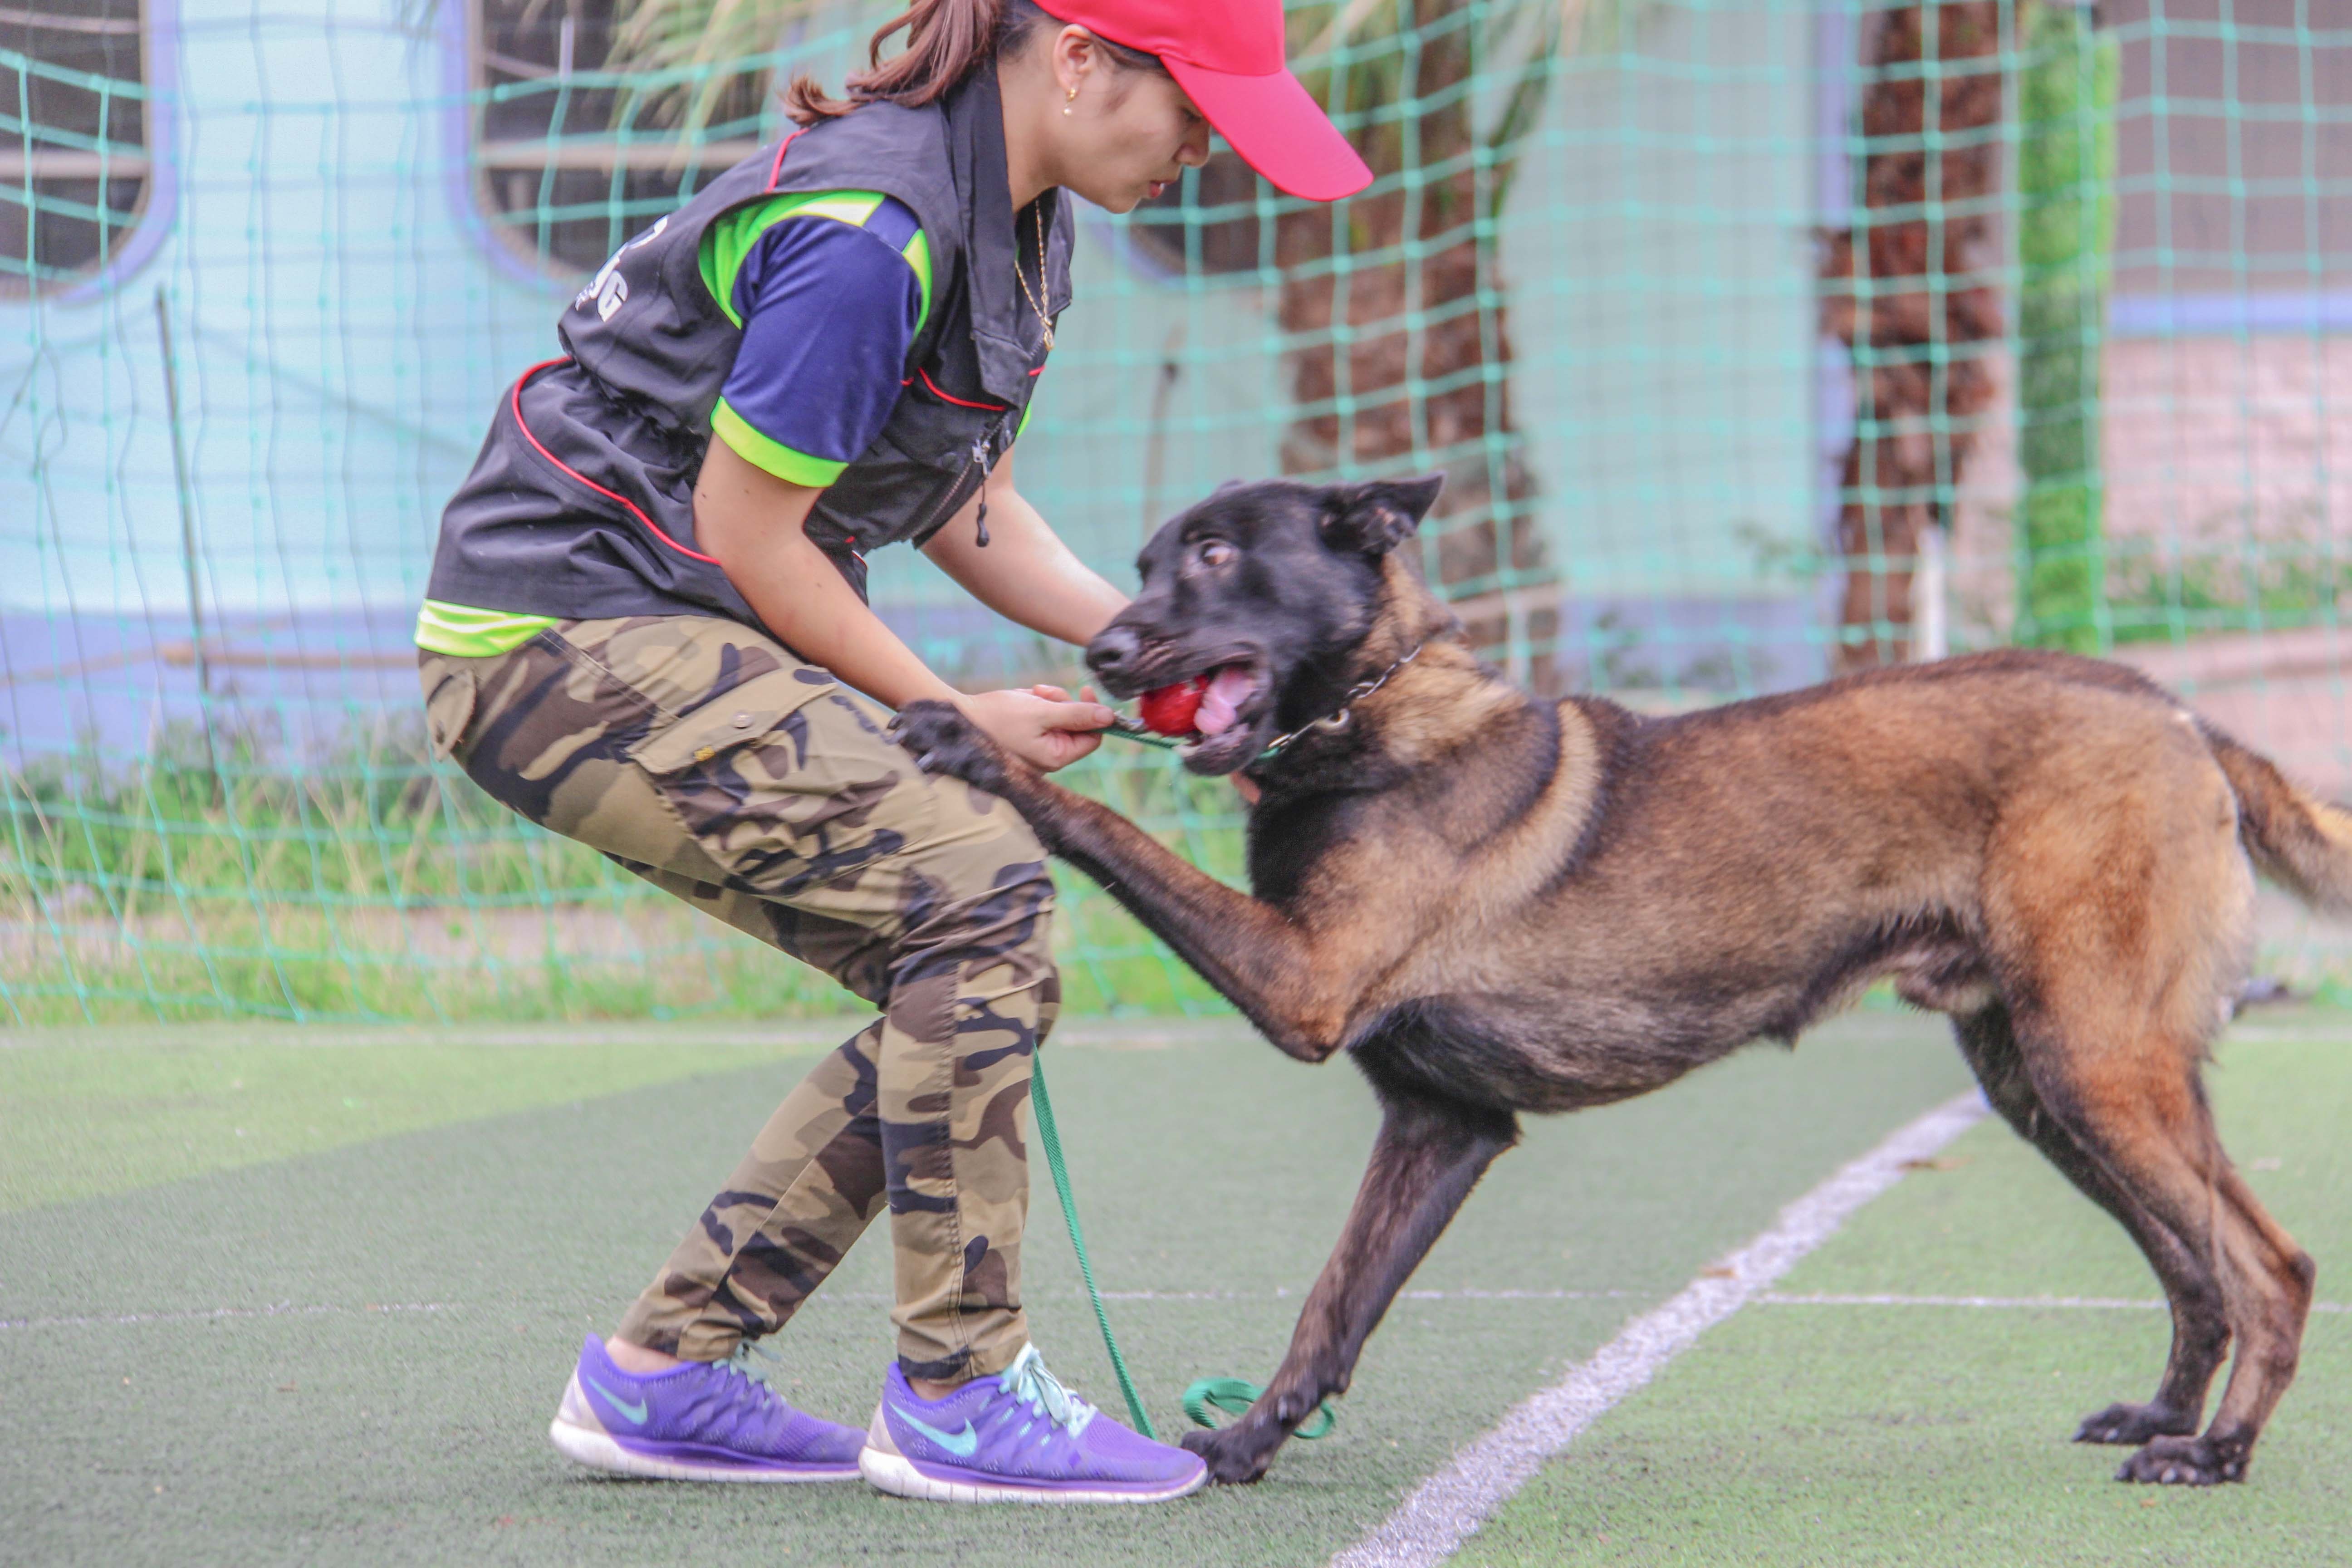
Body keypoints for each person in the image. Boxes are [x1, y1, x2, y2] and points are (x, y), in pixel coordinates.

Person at [414, 0, 1368, 1505]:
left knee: (958, 947)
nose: (1209, 147)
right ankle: (962, 1394)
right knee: (978, 885)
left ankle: (667, 1373)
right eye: (1198, 109)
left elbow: (952, 500)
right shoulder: (878, 228)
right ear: (1079, 58)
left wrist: (1170, 659)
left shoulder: (1024, 218)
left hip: (669, 620)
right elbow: (746, 528)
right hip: (561, 633)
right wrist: (957, 720)